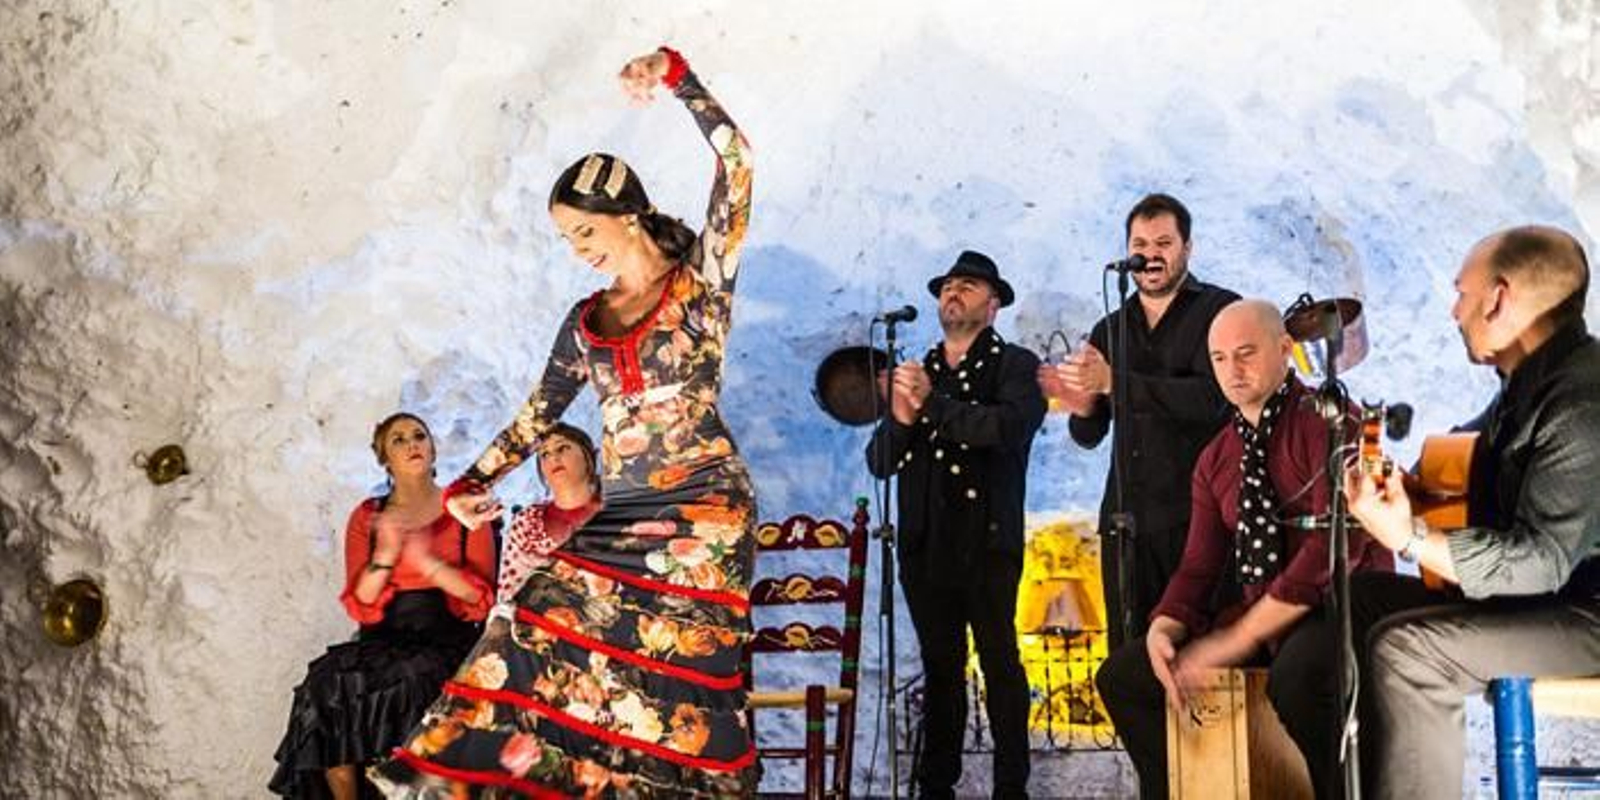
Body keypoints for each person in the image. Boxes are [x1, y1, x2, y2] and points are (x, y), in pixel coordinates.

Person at [370, 46, 758, 797]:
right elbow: (538, 414)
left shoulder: (701, 285)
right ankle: (451, 767)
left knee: (671, 679)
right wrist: (471, 482)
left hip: (708, 507)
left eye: (584, 233)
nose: (577, 252)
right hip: (632, 507)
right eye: (566, 240)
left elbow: (737, 163)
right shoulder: (586, 324)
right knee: (536, 614)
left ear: (627, 216)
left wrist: (677, 78)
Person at [1093, 300, 1392, 799]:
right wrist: (1165, 626)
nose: (1233, 369)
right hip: (1260, 618)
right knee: (1125, 677)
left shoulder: (1331, 422)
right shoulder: (1216, 458)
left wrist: (1238, 637)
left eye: (1246, 353)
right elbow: (1197, 566)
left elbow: (1330, 551)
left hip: (1336, 609)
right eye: (1219, 358)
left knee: (1298, 679)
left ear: (1284, 350)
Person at [1344, 225, 1600, 800]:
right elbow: (1469, 455)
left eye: (1462, 293)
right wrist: (1408, 486)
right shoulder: (1526, 383)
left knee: (1408, 653)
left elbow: (1544, 561)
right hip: (1545, 603)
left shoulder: (1581, 400)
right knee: (1359, 602)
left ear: (1499, 298)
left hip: (1586, 613)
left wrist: (1409, 538)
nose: (1455, 311)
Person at [868, 250, 1047, 799]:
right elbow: (880, 462)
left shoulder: (1014, 365)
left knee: (999, 662)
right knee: (939, 668)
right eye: (947, 286)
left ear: (992, 306)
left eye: (968, 286)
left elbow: (1006, 428)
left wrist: (932, 405)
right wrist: (901, 420)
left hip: (986, 541)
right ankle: (935, 787)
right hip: (925, 545)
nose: (953, 293)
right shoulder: (920, 368)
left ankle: (1010, 787)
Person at [1038, 193, 1240, 650]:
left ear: (1187, 248)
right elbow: (1090, 436)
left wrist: (1117, 382)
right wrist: (1084, 405)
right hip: (1127, 521)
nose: (1151, 254)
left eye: (1164, 242)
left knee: (1201, 656)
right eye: (1141, 243)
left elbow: (1214, 399)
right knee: (1129, 660)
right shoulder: (1110, 328)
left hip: (1200, 518)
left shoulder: (1221, 312)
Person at [270, 412, 495, 799]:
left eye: (419, 436)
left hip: (446, 638)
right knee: (325, 685)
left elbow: (480, 599)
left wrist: (428, 563)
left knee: (410, 681)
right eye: (398, 439)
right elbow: (362, 604)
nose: (411, 444)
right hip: (384, 638)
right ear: (384, 459)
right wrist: (388, 554)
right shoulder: (367, 516)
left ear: (433, 448)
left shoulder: (463, 509)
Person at [370, 423, 605, 793]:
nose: (553, 458)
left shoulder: (616, 512)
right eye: (544, 454)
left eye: (563, 448)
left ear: (589, 458)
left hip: (608, 630)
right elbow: (508, 591)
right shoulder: (528, 520)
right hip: (545, 634)